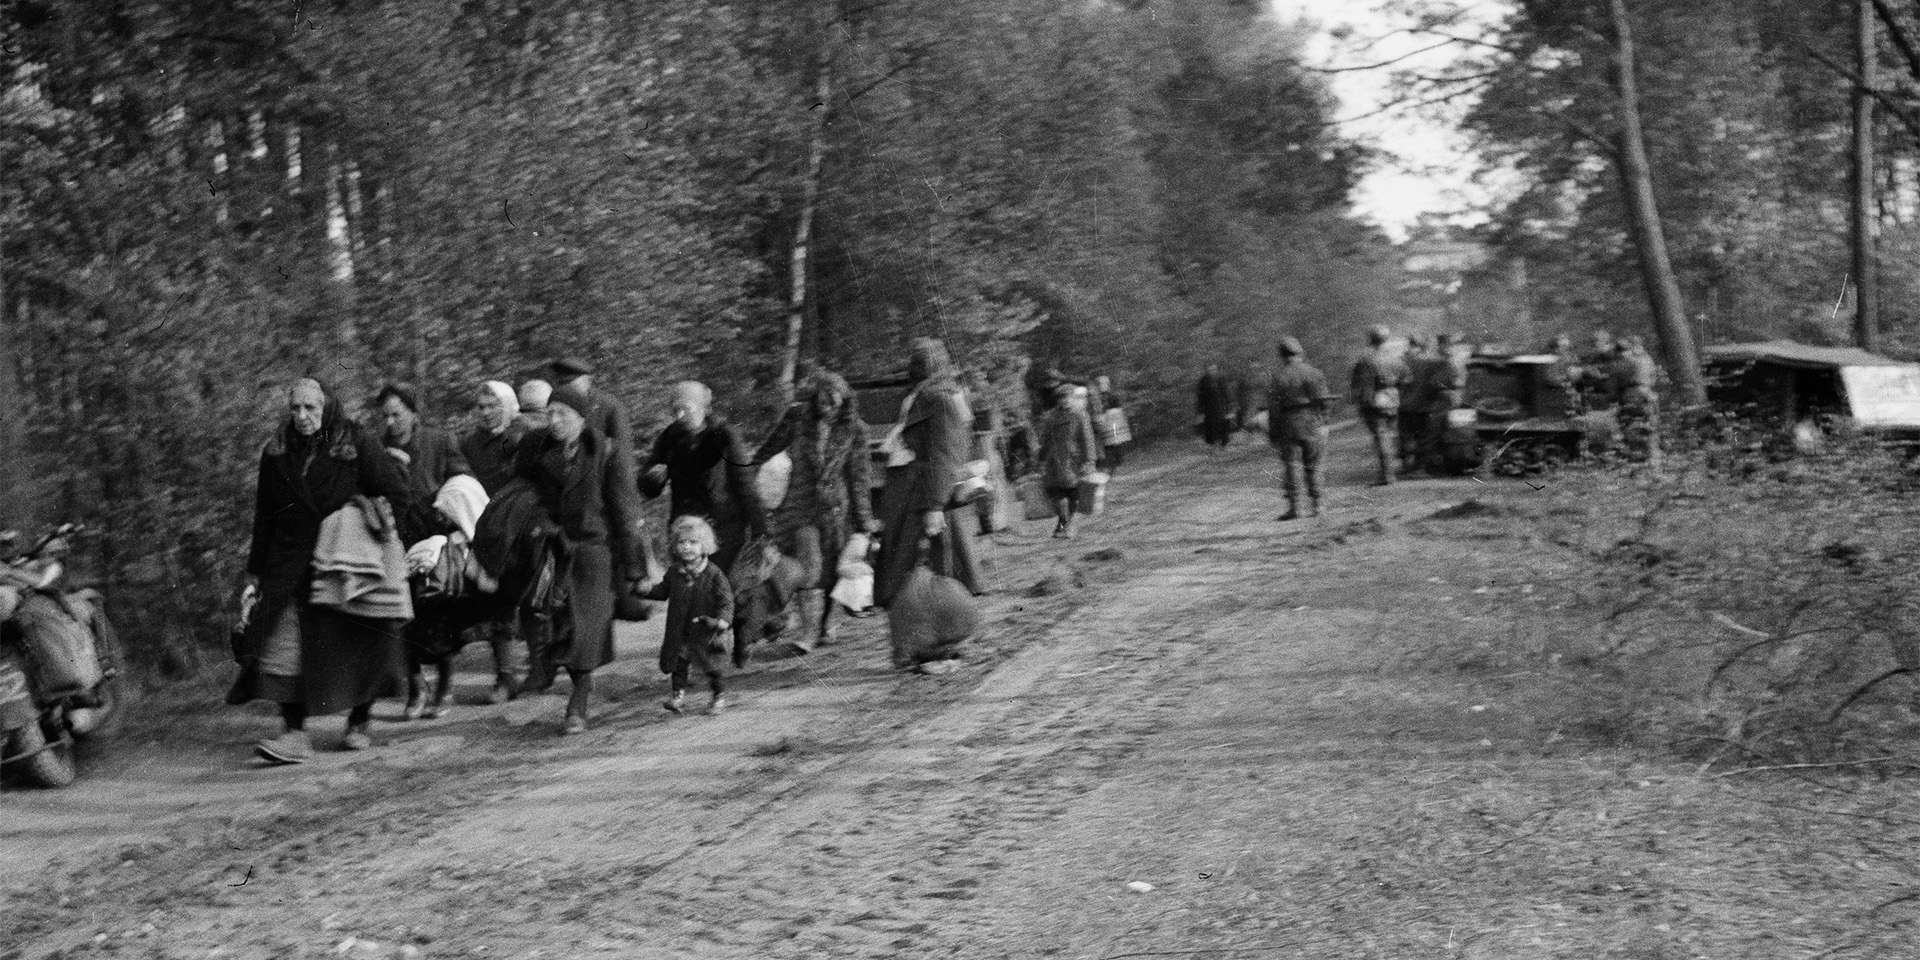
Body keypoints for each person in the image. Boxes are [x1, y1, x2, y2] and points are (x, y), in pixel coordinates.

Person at [232, 377, 415, 764]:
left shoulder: (356, 442)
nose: (301, 416)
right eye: (295, 408)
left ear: (327, 407)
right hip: (290, 561)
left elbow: (396, 495)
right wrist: (255, 572)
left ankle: (359, 722)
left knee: (357, 637)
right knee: (283, 644)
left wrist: (361, 522)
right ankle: (295, 733)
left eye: (310, 408)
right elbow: (264, 515)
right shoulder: (276, 452)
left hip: (345, 562)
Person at [514, 383, 652, 734]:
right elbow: (530, 499)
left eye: (563, 414)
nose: (554, 421)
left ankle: (578, 701)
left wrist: (636, 569)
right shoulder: (541, 453)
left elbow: (625, 510)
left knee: (585, 628)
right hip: (555, 550)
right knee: (554, 621)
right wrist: (542, 524)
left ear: (581, 418)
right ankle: (563, 678)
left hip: (596, 554)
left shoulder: (606, 452)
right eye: (550, 413)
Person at [751, 368, 875, 655]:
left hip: (835, 510)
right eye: (823, 402)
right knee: (809, 568)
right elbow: (767, 451)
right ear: (814, 400)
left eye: (835, 403)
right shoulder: (797, 418)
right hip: (799, 505)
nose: (828, 408)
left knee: (833, 568)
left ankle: (827, 626)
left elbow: (859, 477)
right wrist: (751, 479)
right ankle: (808, 632)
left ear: (845, 402)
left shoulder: (856, 429)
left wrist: (864, 520)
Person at [376, 382, 475, 719]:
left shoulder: (438, 441)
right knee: (400, 614)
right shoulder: (377, 448)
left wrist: (442, 504)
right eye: (385, 415)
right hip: (394, 539)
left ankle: (445, 684)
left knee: (437, 609)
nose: (390, 422)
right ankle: (417, 685)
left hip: (434, 538)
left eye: (397, 414)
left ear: (414, 413)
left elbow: (463, 481)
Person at [875, 338, 987, 621]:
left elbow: (944, 455)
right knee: (929, 568)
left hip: (925, 492)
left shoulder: (941, 399)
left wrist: (935, 505)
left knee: (937, 568)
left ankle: (941, 632)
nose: (918, 367)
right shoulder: (922, 396)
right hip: (914, 491)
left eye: (922, 361)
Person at [639, 381, 769, 573]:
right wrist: (652, 478)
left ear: (703, 408)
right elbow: (648, 486)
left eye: (686, 409)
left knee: (715, 591)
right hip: (684, 532)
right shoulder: (670, 437)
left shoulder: (724, 435)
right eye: (675, 410)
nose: (679, 416)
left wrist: (761, 533)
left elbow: (746, 486)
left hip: (722, 532)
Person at [458, 381, 529, 704]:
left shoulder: (523, 436)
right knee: (498, 603)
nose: (486, 413)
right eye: (481, 407)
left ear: (508, 406)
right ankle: (506, 675)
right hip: (487, 531)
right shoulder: (470, 445)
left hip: (524, 527)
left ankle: (544, 666)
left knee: (536, 600)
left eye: (493, 406)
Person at [642, 516, 735, 716]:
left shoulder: (713, 574)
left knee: (711, 666)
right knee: (679, 662)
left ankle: (718, 696)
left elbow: (726, 601)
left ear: (705, 546)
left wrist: (722, 620)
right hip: (681, 630)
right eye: (682, 542)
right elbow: (662, 591)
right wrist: (646, 590)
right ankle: (678, 697)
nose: (687, 547)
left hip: (706, 631)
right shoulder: (675, 572)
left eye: (693, 542)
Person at [1266, 337, 1333, 521]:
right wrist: (1325, 421)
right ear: (1300, 353)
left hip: (1288, 423)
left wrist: (1273, 431)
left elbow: (1273, 409)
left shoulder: (1278, 377)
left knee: (1292, 466)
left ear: (1282, 355)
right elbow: (1324, 400)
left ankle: (1295, 508)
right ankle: (1318, 505)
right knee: (1314, 464)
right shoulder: (1314, 373)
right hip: (1312, 421)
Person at [1036, 383, 1100, 539]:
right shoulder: (1049, 417)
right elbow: (1043, 440)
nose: (1064, 401)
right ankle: (1063, 522)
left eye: (1067, 398)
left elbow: (1087, 439)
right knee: (1056, 493)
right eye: (1061, 398)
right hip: (1054, 460)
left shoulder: (1080, 415)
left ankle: (1066, 525)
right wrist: (1040, 459)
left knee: (1073, 494)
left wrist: (1090, 460)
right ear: (1057, 400)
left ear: (1073, 398)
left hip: (1074, 461)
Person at [1349, 326, 1410, 487]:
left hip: (1375, 401)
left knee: (1381, 438)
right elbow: (1407, 378)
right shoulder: (1396, 358)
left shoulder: (1366, 359)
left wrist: (1361, 401)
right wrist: (1396, 391)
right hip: (1392, 399)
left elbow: (1359, 383)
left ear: (1371, 339)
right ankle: (1389, 473)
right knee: (1388, 436)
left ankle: (1387, 475)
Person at [547, 358, 634, 466]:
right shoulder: (555, 406)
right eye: (561, 385)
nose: (566, 390)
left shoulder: (609, 406)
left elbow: (622, 451)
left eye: (571, 384)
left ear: (586, 381)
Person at [1611, 336, 1660, 464]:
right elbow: (1653, 378)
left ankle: (1634, 454)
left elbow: (1614, 385)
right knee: (1651, 424)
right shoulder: (1647, 359)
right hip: (1646, 392)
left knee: (1628, 423)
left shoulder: (1621, 362)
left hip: (1628, 394)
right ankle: (1653, 455)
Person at [1397, 335, 1433, 474]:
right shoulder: (1429, 361)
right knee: (1422, 436)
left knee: (1406, 436)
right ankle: (1419, 467)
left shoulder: (1402, 359)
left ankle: (1407, 465)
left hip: (1405, 404)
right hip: (1423, 405)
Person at [1092, 374, 1131, 472]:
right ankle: (1109, 464)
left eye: (1104, 383)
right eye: (1100, 384)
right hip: (1102, 424)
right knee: (1105, 444)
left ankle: (1118, 463)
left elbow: (1119, 408)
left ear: (1108, 384)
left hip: (1113, 424)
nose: (1102, 385)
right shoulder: (1096, 397)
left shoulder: (1112, 396)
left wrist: (1111, 413)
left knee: (1116, 443)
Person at [1195, 363, 1236, 449]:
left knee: (1223, 425)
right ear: (1207, 371)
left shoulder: (1221, 379)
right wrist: (1200, 410)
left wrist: (1229, 407)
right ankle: (1212, 444)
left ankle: (1224, 444)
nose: (1212, 371)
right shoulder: (1203, 381)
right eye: (1210, 370)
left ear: (1216, 370)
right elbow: (1200, 397)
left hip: (1220, 406)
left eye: (1213, 369)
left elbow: (1227, 394)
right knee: (1210, 426)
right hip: (1209, 408)